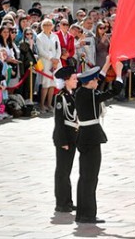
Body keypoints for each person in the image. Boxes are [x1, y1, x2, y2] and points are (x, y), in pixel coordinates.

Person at [74, 59, 124, 224]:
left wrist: (107, 64)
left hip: (83, 136)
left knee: (84, 176)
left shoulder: (82, 92)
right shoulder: (91, 95)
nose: (97, 81)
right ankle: (88, 214)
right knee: (91, 177)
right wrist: (118, 73)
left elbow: (99, 81)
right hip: (91, 136)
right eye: (95, 80)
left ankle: (82, 213)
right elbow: (115, 90)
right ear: (90, 82)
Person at [53, 66, 78, 213]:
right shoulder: (60, 97)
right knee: (62, 172)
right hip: (64, 139)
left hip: (72, 137)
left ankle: (68, 201)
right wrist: (62, 142)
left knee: (67, 171)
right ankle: (61, 203)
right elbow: (59, 121)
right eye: (73, 79)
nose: (76, 81)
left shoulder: (71, 95)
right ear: (66, 80)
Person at [36, 19, 62, 112]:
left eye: (49, 24)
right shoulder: (39, 37)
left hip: (55, 63)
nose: (48, 26)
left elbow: (58, 49)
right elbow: (41, 51)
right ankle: (42, 104)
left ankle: (49, 104)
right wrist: (51, 58)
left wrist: (56, 59)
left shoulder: (55, 36)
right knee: (45, 84)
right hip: (46, 62)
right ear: (42, 26)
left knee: (52, 84)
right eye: (45, 24)